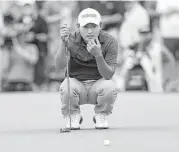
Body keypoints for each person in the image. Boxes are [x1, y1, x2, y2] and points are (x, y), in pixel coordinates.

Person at [56, 8, 118, 130]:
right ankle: (73, 114)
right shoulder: (71, 39)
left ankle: (101, 114)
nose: (90, 31)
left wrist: (98, 55)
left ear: (100, 26)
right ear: (78, 27)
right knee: (66, 86)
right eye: (85, 27)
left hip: (98, 86)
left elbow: (108, 75)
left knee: (110, 86)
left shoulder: (110, 41)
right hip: (76, 85)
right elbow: (59, 66)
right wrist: (63, 43)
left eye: (94, 26)